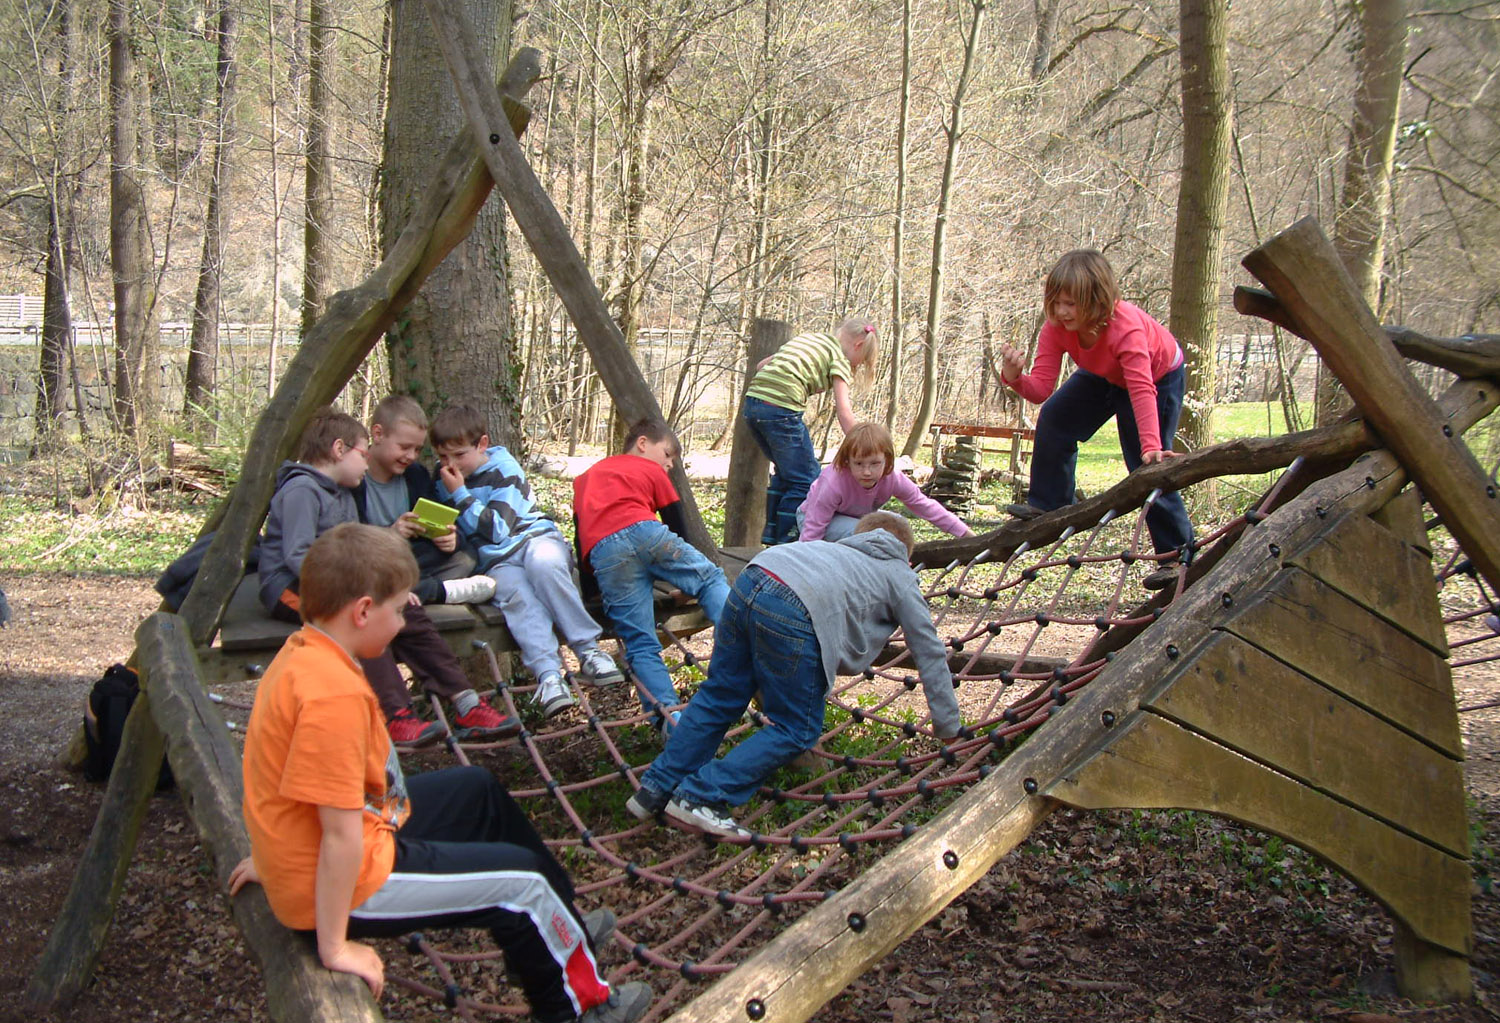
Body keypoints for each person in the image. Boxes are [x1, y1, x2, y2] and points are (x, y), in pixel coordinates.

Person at [229, 524, 651, 1023]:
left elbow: (273, 775)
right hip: (349, 880)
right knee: (524, 885)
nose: (408, 618)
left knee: (476, 790)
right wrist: (335, 947)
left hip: (332, 845)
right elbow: (340, 837)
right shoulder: (330, 696)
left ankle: (560, 926)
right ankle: (584, 1010)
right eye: (401, 609)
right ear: (363, 611)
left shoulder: (305, 651)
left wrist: (272, 853)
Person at [625, 511, 962, 839]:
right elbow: (929, 649)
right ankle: (700, 795)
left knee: (720, 696)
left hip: (753, 576)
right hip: (793, 607)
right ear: (905, 555)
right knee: (796, 727)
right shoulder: (899, 573)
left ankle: (654, 790)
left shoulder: (831, 548)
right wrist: (947, 725)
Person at [257, 406, 517, 747]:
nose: (366, 465)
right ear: (338, 450)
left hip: (343, 584)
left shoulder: (341, 491)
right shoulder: (301, 491)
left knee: (406, 609)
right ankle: (395, 715)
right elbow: (298, 557)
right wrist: (362, 591)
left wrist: (387, 590)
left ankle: (466, 703)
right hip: (289, 589)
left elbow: (356, 549)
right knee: (359, 619)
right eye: (362, 456)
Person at [998, 249, 1194, 589]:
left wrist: (1152, 445)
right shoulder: (1057, 327)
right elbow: (1042, 388)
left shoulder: (1126, 328)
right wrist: (1014, 377)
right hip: (1104, 373)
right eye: (1057, 302)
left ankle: (1177, 556)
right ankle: (1050, 502)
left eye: (1071, 304)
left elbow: (1142, 387)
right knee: (1056, 417)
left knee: (1147, 463)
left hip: (1158, 377)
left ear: (1096, 299)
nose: (1062, 311)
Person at [431, 405, 624, 719]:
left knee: (543, 564)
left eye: (458, 455)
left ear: (481, 444)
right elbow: (449, 524)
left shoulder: (503, 468)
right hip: (496, 562)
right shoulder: (442, 481)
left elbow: (497, 529)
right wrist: (445, 532)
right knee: (518, 595)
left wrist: (461, 495)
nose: (450, 465)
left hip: (535, 540)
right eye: (442, 457)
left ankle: (588, 650)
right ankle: (549, 675)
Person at [573, 418, 730, 733]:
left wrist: (592, 590)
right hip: (646, 533)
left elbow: (580, 535)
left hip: (605, 553)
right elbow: (675, 523)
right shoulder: (650, 470)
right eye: (668, 454)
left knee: (640, 644)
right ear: (643, 443)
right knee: (711, 579)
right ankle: (741, 642)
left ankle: (670, 720)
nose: (670, 464)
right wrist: (685, 580)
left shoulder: (585, 477)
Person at [742, 319, 879, 545]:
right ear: (858, 345)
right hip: (782, 410)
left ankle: (772, 533)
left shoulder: (810, 340)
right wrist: (862, 444)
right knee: (807, 479)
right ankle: (789, 540)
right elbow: (844, 411)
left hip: (753, 406)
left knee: (788, 474)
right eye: (862, 361)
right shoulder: (840, 359)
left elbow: (761, 366)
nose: (858, 366)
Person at [355, 394, 496, 606]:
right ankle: (440, 592)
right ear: (378, 434)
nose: (411, 456)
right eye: (404, 447)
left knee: (466, 557)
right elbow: (345, 541)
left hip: (411, 562)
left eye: (418, 449)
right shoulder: (354, 475)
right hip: (368, 563)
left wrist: (452, 538)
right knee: (362, 578)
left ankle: (408, 591)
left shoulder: (415, 474)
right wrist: (390, 534)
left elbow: (442, 519)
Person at [797, 422, 973, 543]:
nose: (867, 471)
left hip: (859, 520)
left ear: (887, 460)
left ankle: (898, 567)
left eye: (875, 463)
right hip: (815, 519)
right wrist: (807, 562)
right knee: (871, 534)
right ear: (847, 461)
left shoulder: (891, 478)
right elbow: (813, 529)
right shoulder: (833, 482)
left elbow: (923, 505)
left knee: (897, 524)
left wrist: (964, 533)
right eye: (858, 464)